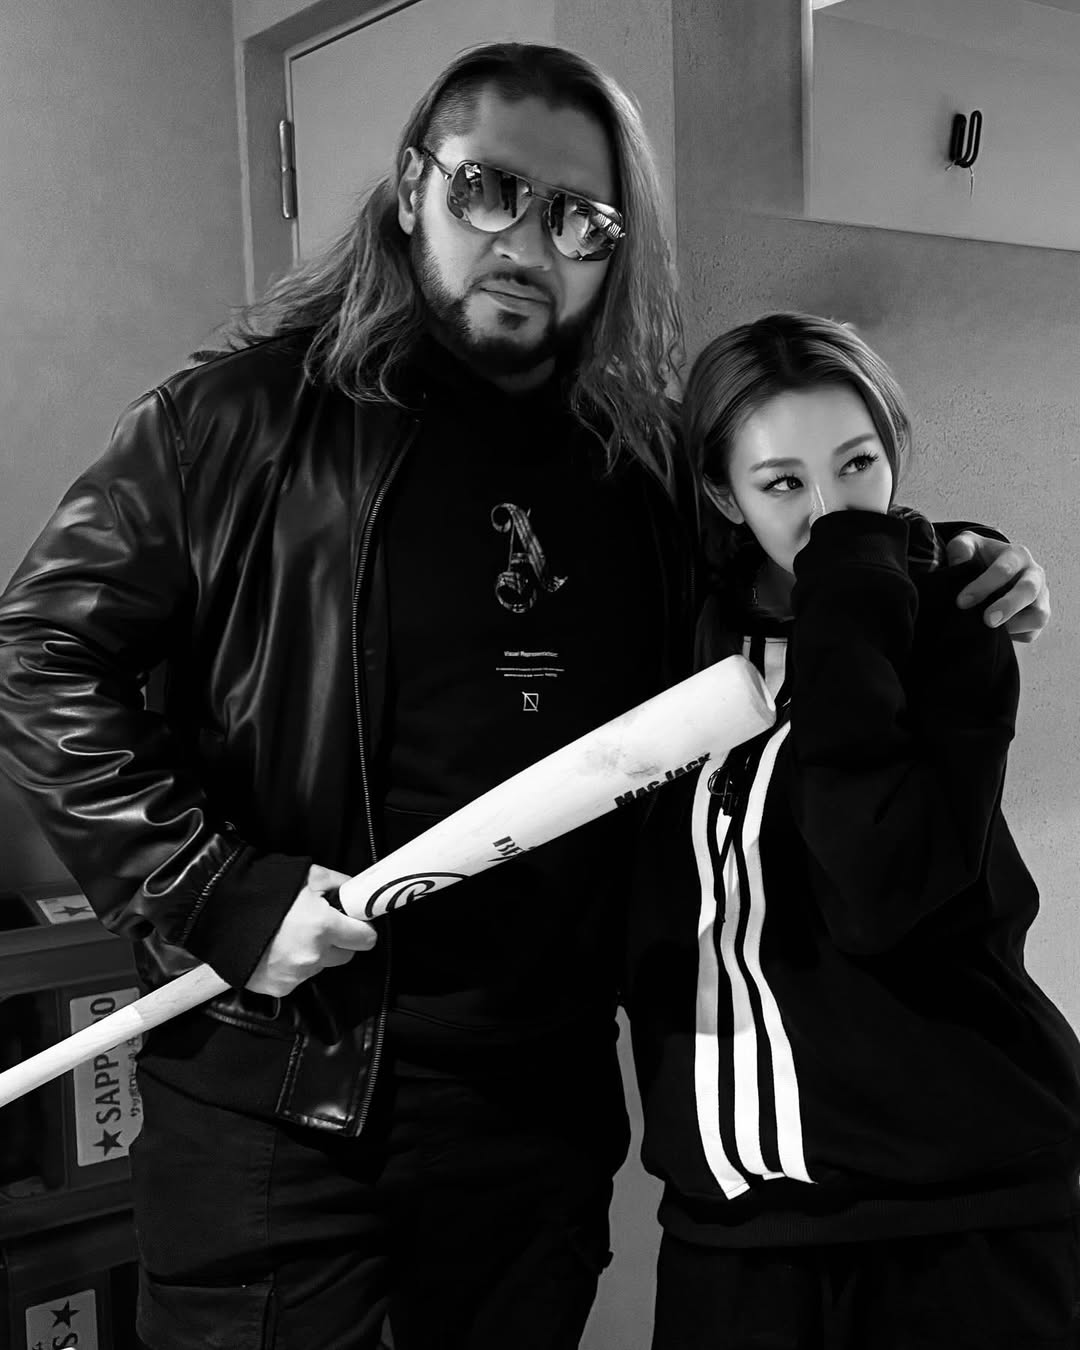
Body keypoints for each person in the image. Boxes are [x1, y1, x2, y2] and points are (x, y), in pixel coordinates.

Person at [0, 43, 1052, 1350]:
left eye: (579, 219)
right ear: (410, 188)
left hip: (536, 1110)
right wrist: (213, 888)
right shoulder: (238, 422)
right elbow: (40, 651)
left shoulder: (639, 463)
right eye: (488, 189)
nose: (527, 243)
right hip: (284, 1098)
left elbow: (793, 545)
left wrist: (948, 559)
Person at [625, 312, 1080, 1350]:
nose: (829, 510)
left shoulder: (951, 625)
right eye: (782, 482)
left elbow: (880, 888)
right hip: (730, 1236)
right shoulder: (672, 642)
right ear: (724, 496)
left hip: (967, 1219)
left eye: (858, 464)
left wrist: (858, 581)